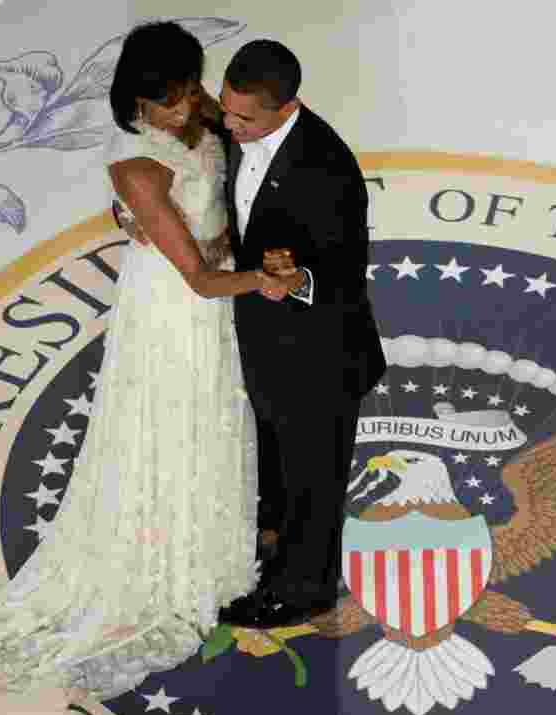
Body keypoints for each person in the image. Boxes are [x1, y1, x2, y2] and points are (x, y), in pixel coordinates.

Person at [0, 21, 292, 701]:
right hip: (177, 309)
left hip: (216, 296)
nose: (192, 108)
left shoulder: (193, 109)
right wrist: (266, 278)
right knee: (175, 423)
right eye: (175, 99)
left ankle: (219, 537)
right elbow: (197, 277)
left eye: (193, 90)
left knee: (216, 418)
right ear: (140, 100)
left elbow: (232, 145)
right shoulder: (135, 165)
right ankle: (174, 559)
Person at [216, 40, 387, 629]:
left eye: (245, 118)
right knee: (276, 464)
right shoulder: (232, 133)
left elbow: (344, 270)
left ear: (286, 109)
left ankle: (304, 590)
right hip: (262, 343)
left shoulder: (328, 167)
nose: (230, 126)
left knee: (314, 478)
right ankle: (272, 552)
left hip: (322, 355)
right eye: (226, 110)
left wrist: (297, 281)